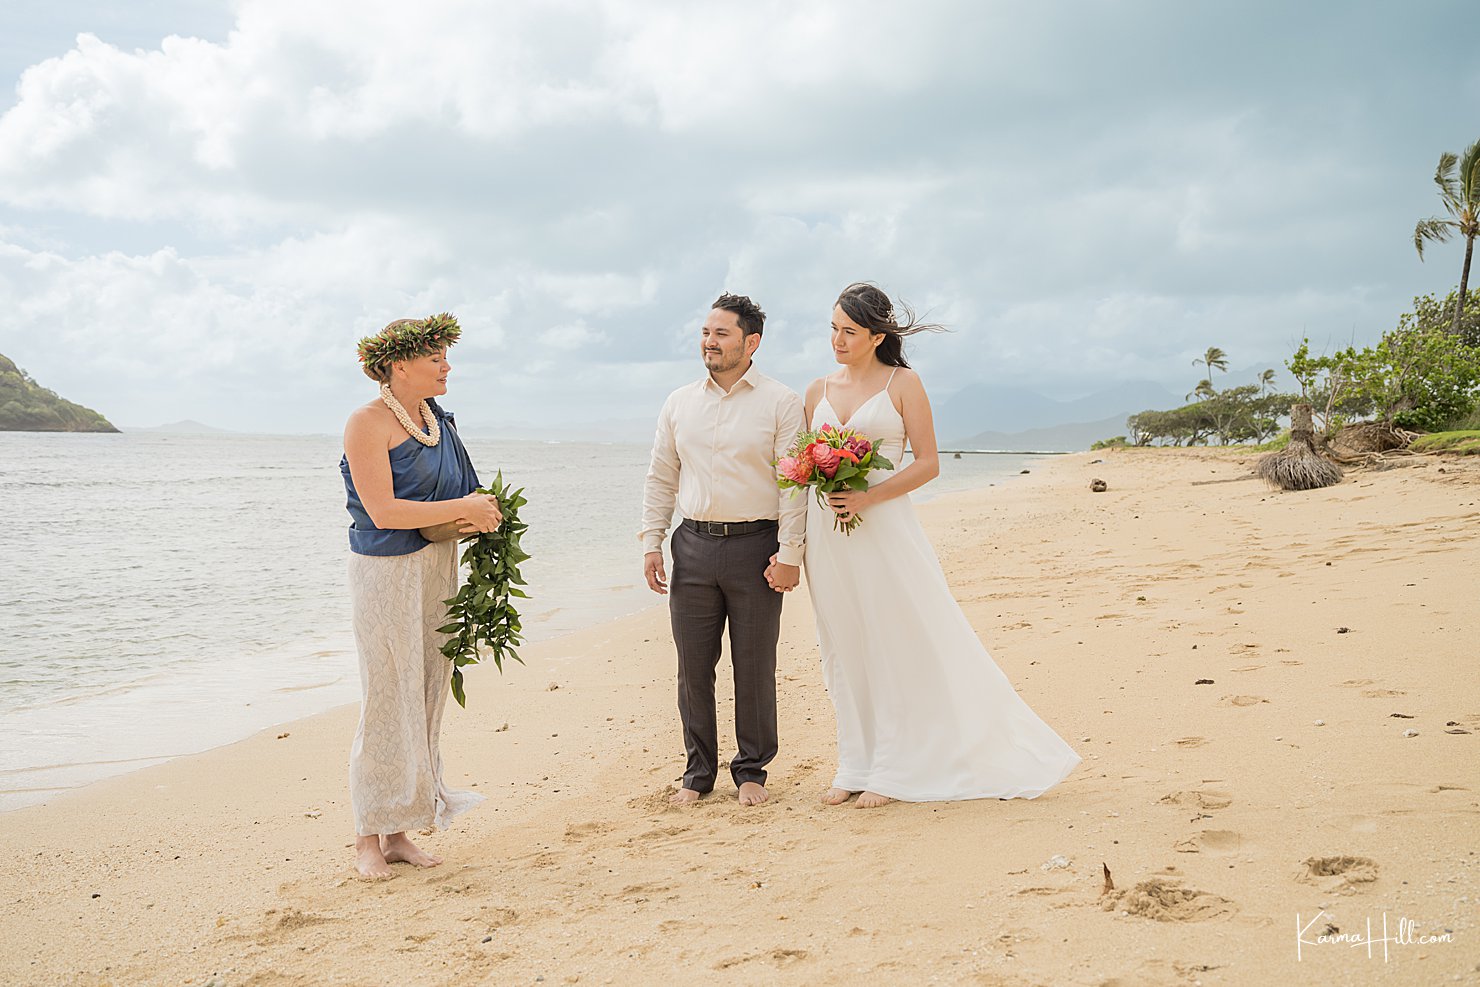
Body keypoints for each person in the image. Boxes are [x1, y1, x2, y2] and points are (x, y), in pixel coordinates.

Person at [790, 283, 1081, 808]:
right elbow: (803, 467)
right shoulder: (816, 390)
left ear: (877, 336)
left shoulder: (904, 384)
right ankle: (854, 761)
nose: (836, 339)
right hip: (827, 536)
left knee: (893, 639)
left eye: (849, 331)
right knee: (842, 645)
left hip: (882, 528)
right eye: (832, 327)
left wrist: (867, 497)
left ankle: (894, 767)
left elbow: (928, 463)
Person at [340, 313, 502, 878]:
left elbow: (461, 492)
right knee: (388, 694)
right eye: (436, 358)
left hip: (436, 564)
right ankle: (366, 837)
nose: (447, 366)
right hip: (385, 574)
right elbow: (383, 511)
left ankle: (400, 830)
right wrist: (464, 510)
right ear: (400, 365)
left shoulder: (437, 418)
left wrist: (479, 513)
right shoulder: (366, 423)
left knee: (428, 690)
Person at [640, 293, 807, 807]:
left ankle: (752, 770)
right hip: (691, 545)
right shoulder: (679, 402)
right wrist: (652, 542)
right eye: (706, 333)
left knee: (753, 664)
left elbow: (793, 486)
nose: (709, 342)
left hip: (757, 547)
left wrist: (790, 554)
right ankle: (697, 773)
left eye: (721, 334)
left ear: (751, 342)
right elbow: (662, 477)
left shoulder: (781, 402)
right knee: (693, 664)